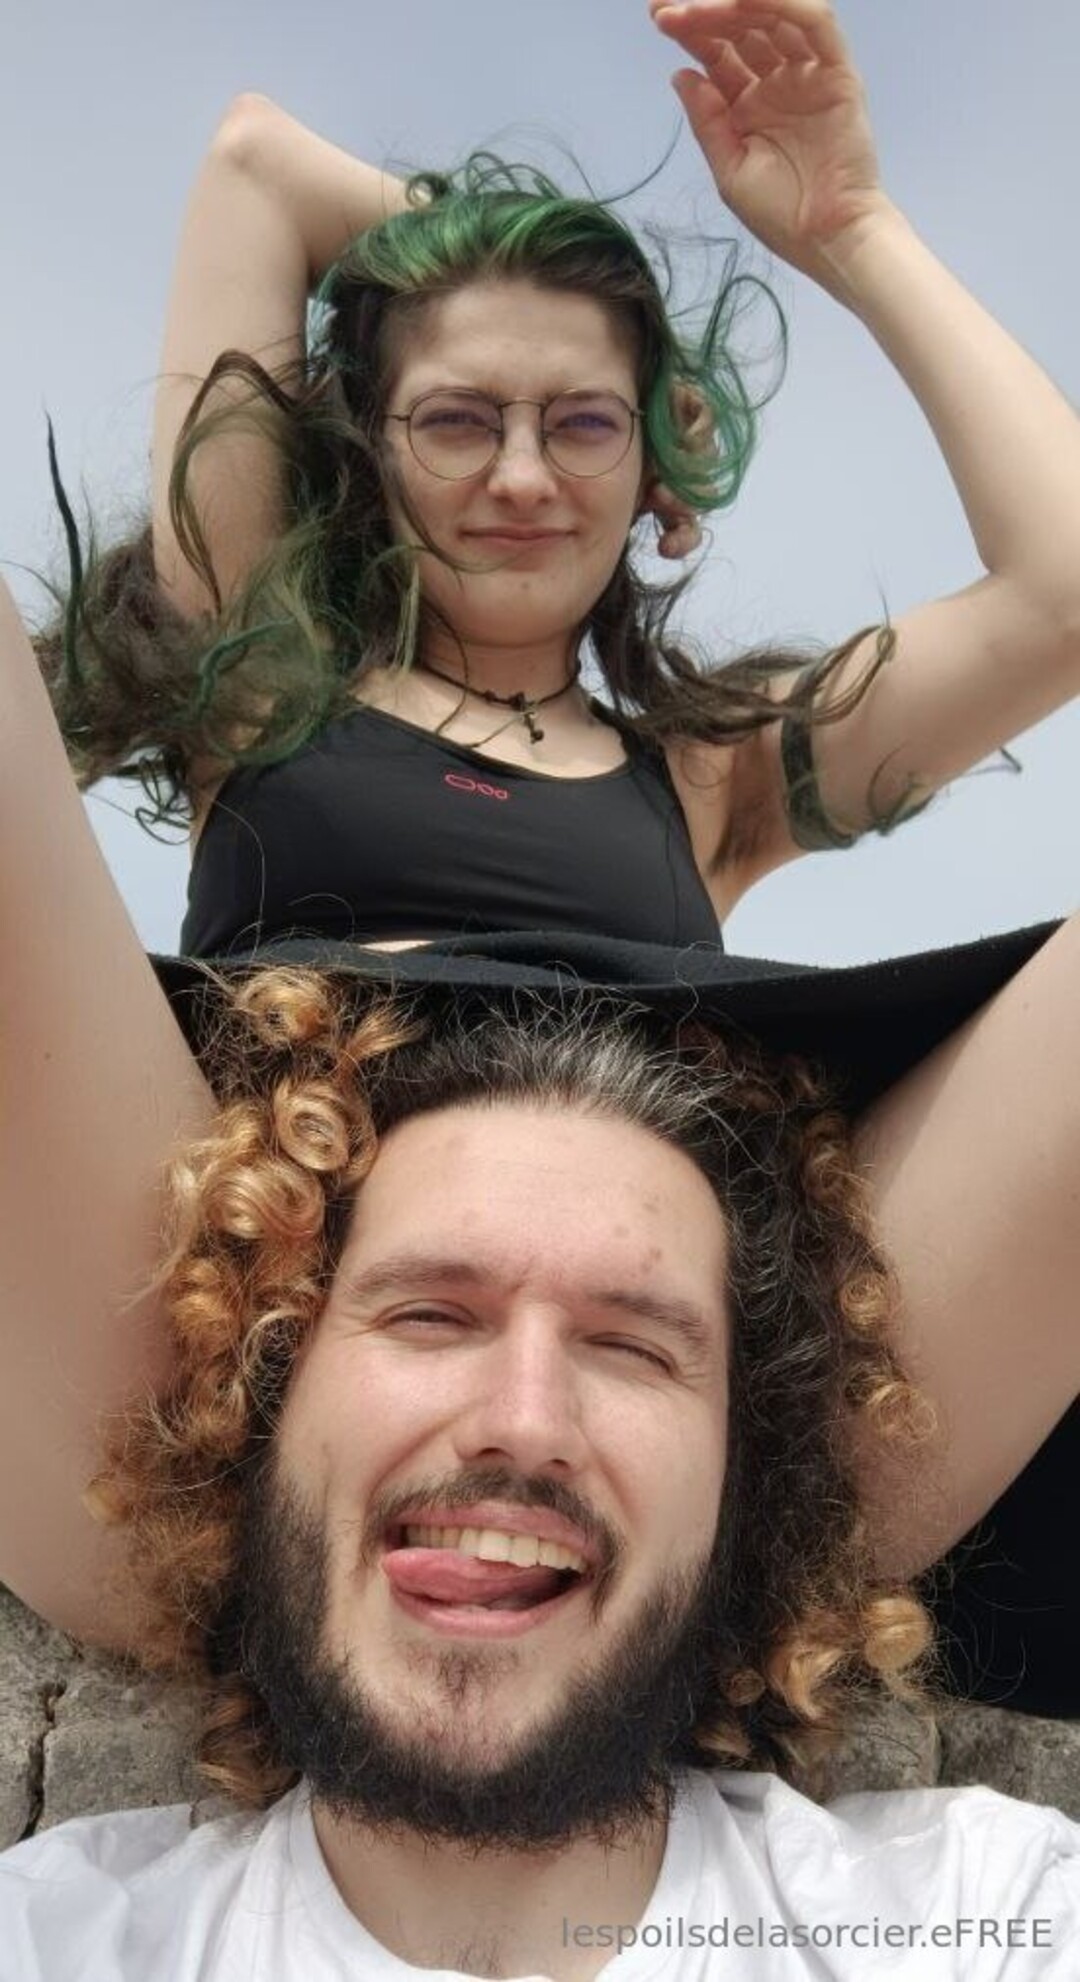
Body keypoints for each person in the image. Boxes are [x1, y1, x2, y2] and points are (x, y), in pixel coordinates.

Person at [4, 0, 1080, 1708]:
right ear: (364, 455)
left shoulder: (717, 777)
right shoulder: (264, 681)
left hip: (681, 1422)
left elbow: (1064, 590)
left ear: (657, 471)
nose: (520, 474)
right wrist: (484, 246)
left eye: (583, 423)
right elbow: (258, 163)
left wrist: (852, 228)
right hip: (215, 1379)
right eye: (456, 419)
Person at [1, 985, 1077, 1981]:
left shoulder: (990, 1920)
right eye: (430, 1315)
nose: (524, 1423)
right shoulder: (51, 1939)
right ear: (262, 1414)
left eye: (632, 1348)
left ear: (743, 1491)